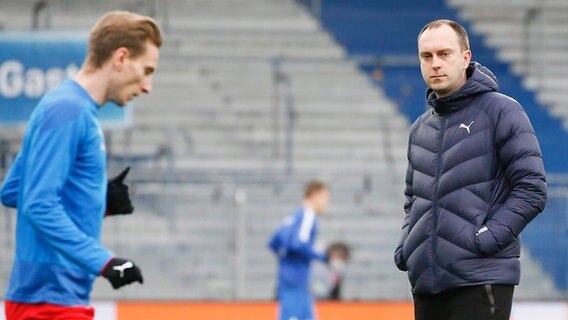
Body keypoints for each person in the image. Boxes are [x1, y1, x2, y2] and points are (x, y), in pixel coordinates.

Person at [0, 11, 162, 320]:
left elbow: (13, 191)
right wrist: (107, 262)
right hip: (48, 304)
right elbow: (38, 204)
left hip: (54, 300)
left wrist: (99, 201)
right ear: (121, 57)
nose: (147, 86)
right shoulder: (67, 110)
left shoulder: (68, 106)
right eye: (147, 70)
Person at [394, 19, 546, 320]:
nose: (435, 63)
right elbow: (413, 199)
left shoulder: (502, 111)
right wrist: (407, 248)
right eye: (427, 56)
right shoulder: (419, 129)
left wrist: (484, 240)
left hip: (480, 279)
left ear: (465, 58)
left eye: (444, 53)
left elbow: (532, 189)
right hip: (426, 283)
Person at [269, 181, 330, 320]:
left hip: (290, 280)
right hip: (297, 280)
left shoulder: (292, 217)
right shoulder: (308, 216)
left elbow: (273, 242)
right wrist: (322, 257)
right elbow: (298, 244)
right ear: (315, 195)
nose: (327, 203)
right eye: (325, 198)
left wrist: (285, 260)